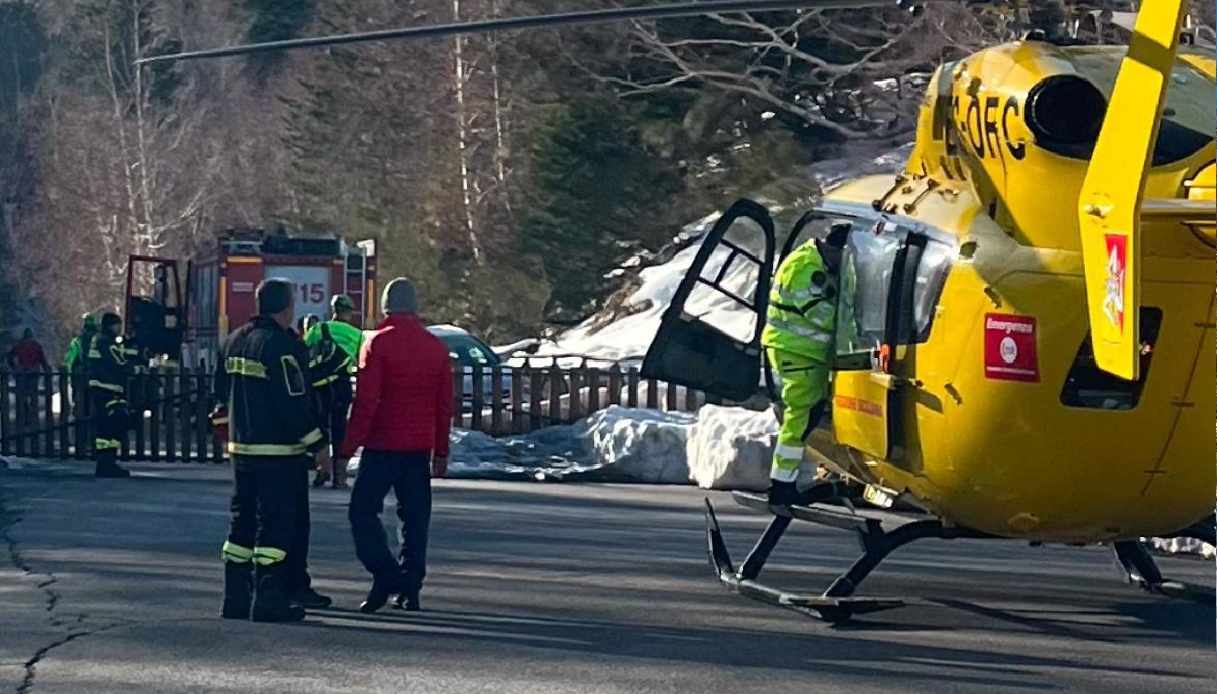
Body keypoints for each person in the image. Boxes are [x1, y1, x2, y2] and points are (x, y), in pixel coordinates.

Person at [214, 279, 331, 623]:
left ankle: (235, 597)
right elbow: (293, 404)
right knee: (275, 528)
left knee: (242, 524)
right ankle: (268, 598)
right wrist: (319, 447)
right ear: (287, 307)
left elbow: (220, 395)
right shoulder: (282, 346)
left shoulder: (233, 341)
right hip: (279, 453)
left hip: (242, 452)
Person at [340, 278, 453, 613]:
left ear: (386, 308)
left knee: (362, 511)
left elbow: (366, 402)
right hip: (418, 448)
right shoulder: (435, 348)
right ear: (415, 307)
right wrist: (441, 451)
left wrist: (347, 448)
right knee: (415, 519)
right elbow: (444, 406)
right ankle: (411, 585)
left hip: (382, 445)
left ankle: (385, 573)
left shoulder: (377, 345)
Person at [762, 222, 850, 507]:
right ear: (835, 251)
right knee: (801, 416)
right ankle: (782, 485)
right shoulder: (806, 270)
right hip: (799, 353)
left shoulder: (811, 261)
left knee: (807, 414)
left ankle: (785, 482)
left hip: (802, 353)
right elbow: (821, 315)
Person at [303, 295, 364, 490]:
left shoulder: (318, 329)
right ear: (350, 312)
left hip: (318, 385)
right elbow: (362, 362)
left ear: (333, 310)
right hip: (341, 386)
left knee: (319, 426)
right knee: (340, 429)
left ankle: (322, 468)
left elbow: (302, 352)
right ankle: (339, 476)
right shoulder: (357, 335)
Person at [86, 314, 133, 479]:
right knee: (114, 423)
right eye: (117, 326)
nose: (119, 329)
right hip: (108, 389)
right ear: (109, 326)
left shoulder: (99, 340)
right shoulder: (106, 342)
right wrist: (135, 369)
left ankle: (105, 462)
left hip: (102, 388)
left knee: (107, 426)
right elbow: (119, 363)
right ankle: (107, 463)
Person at [7, 328, 51, 430]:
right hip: (33, 373)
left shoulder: (20, 345)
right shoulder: (36, 345)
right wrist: (46, 369)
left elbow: (10, 356)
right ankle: (33, 418)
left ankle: (24, 417)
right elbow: (42, 359)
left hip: (21, 373)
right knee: (33, 395)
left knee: (22, 397)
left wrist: (14, 367)